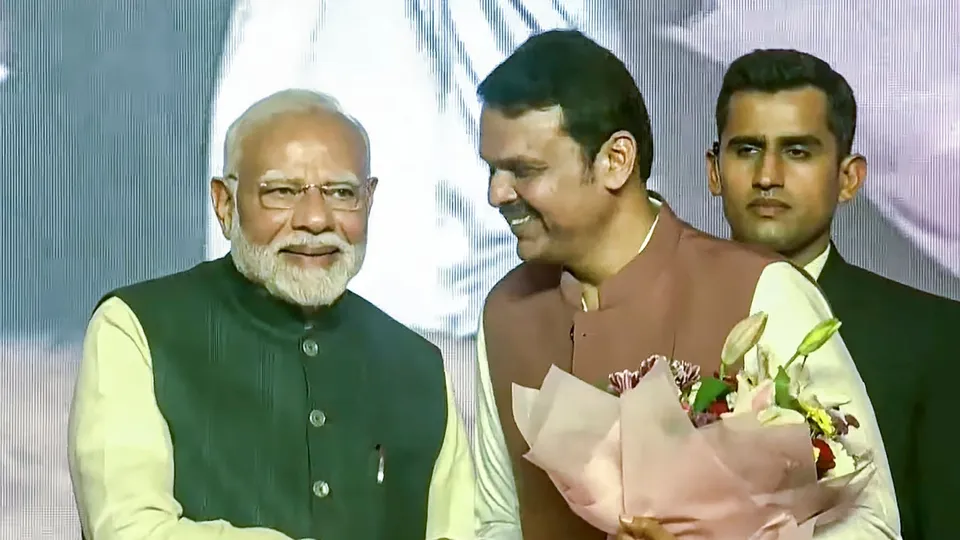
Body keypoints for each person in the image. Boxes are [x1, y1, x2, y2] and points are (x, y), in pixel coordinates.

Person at [472, 30, 899, 540]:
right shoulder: (506, 312)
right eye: (493, 170)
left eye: (524, 170)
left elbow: (870, 522)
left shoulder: (762, 292)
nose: (497, 194)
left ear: (615, 161)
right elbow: (495, 521)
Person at [67, 89, 474, 540]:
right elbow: (129, 530)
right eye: (282, 192)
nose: (316, 219)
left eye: (342, 193)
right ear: (225, 204)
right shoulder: (138, 327)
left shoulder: (415, 364)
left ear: (370, 201)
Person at [706, 48, 960, 540]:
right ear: (714, 171)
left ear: (849, 178)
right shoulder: (662, 316)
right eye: (747, 149)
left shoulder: (936, 337)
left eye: (798, 151)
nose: (767, 176)